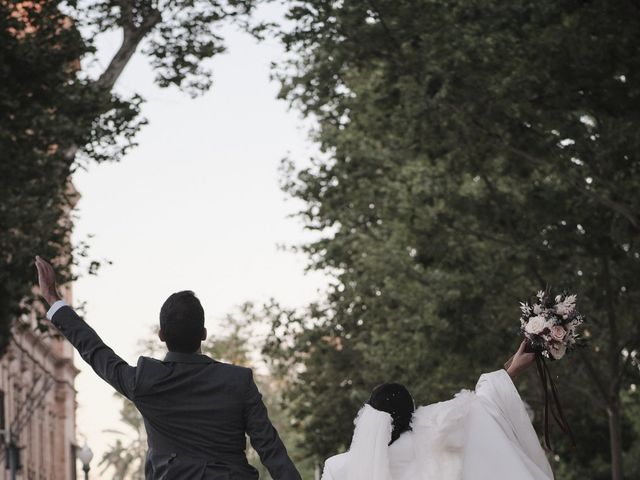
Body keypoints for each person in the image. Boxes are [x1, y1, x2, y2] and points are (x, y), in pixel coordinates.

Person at [34, 256, 301, 480]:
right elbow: (270, 449)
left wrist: (53, 299)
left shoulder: (145, 381)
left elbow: (95, 350)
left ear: (161, 335)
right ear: (204, 333)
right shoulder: (238, 381)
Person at [322, 341, 554, 480]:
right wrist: (512, 368)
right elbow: (479, 405)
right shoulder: (434, 438)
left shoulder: (338, 468)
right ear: (410, 411)